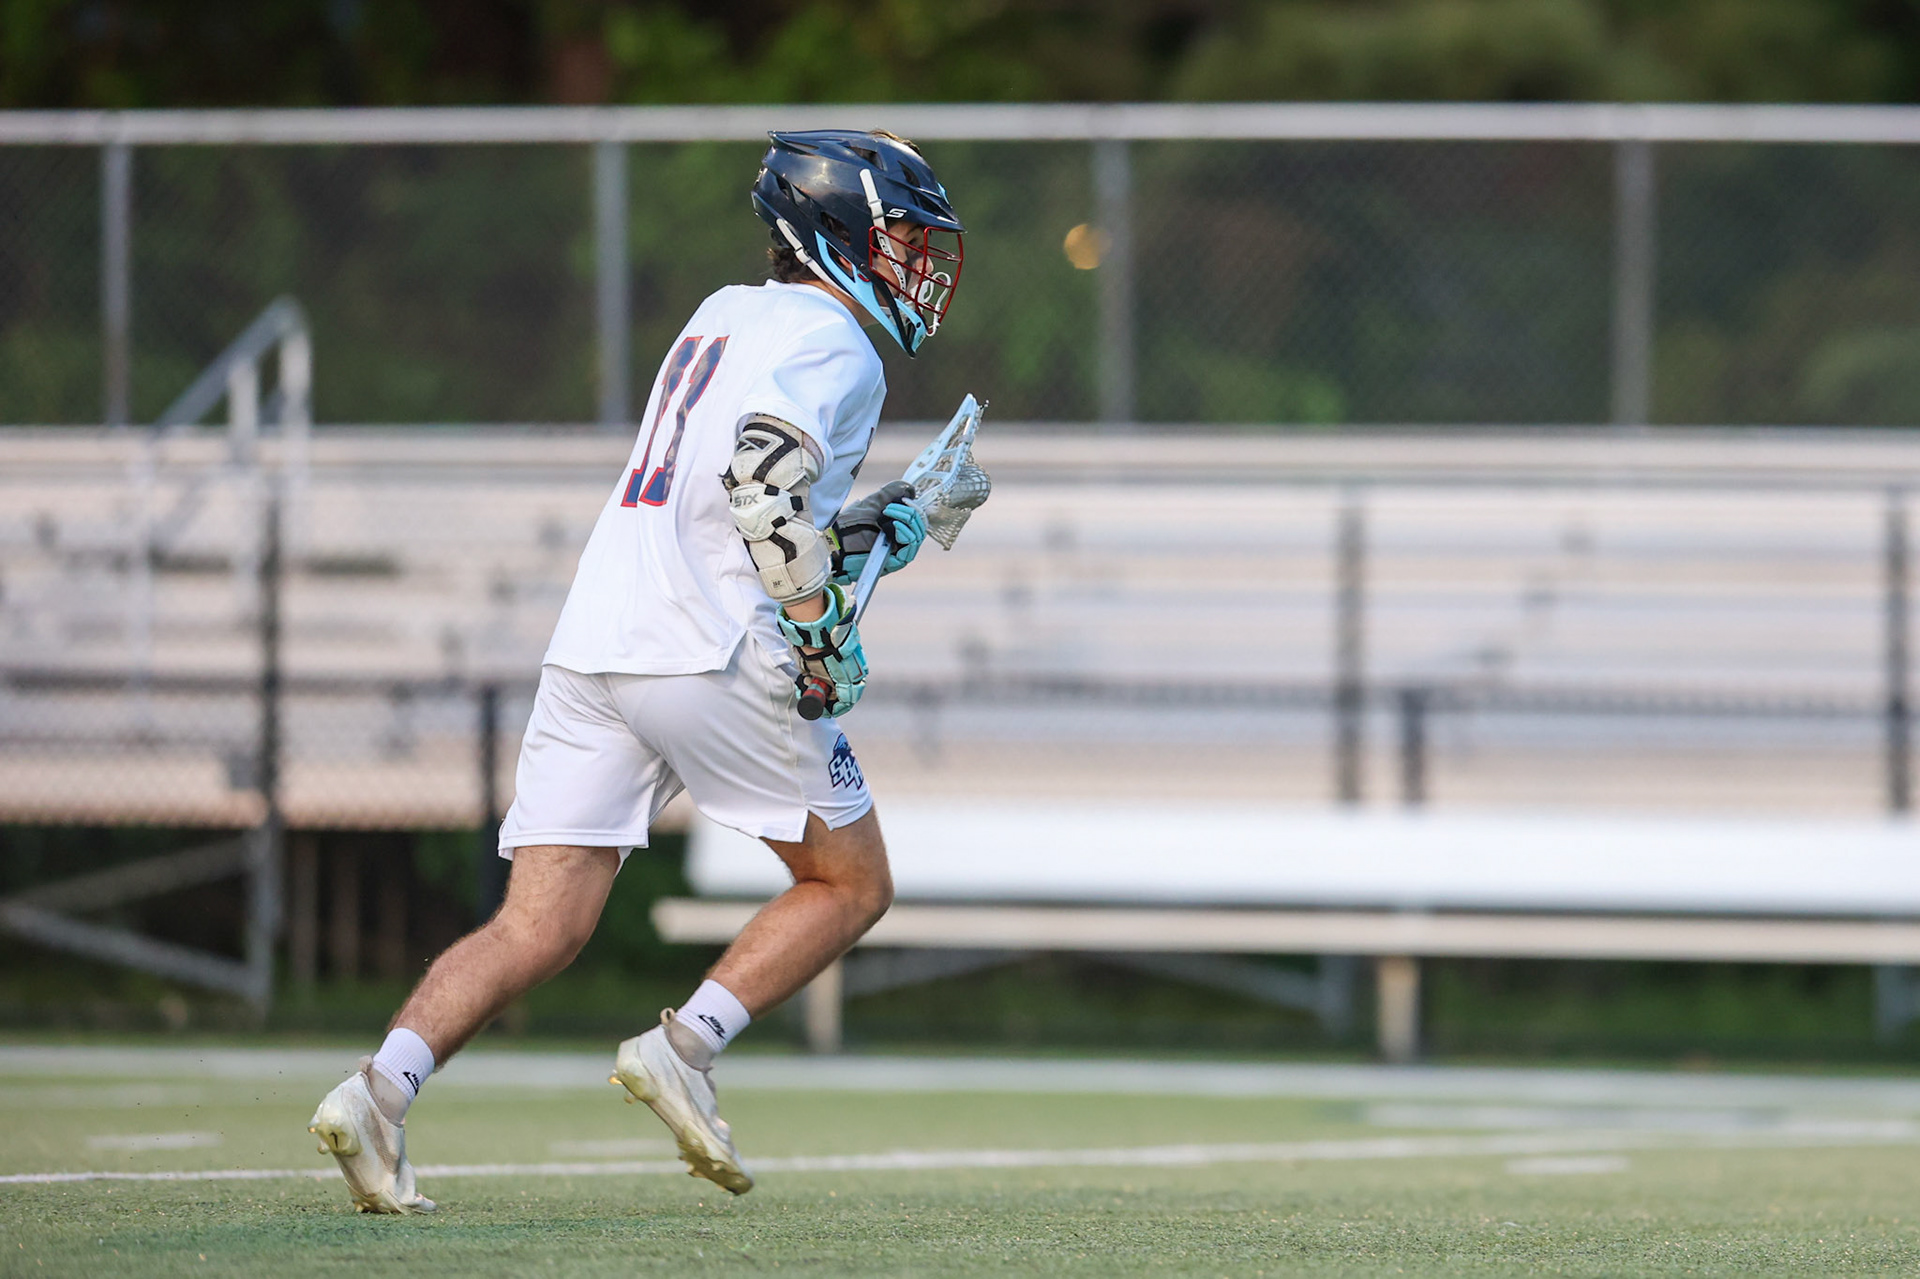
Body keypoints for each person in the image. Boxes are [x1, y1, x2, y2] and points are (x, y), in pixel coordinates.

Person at [306, 128, 965, 1213]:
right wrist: (817, 633)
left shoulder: (722, 310)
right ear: (836, 228)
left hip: (600, 637)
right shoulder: (837, 347)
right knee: (851, 883)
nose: (918, 264)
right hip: (710, 647)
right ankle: (687, 1047)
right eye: (901, 237)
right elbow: (761, 487)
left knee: (540, 923)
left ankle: (377, 1089)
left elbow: (738, 498)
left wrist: (880, 527)